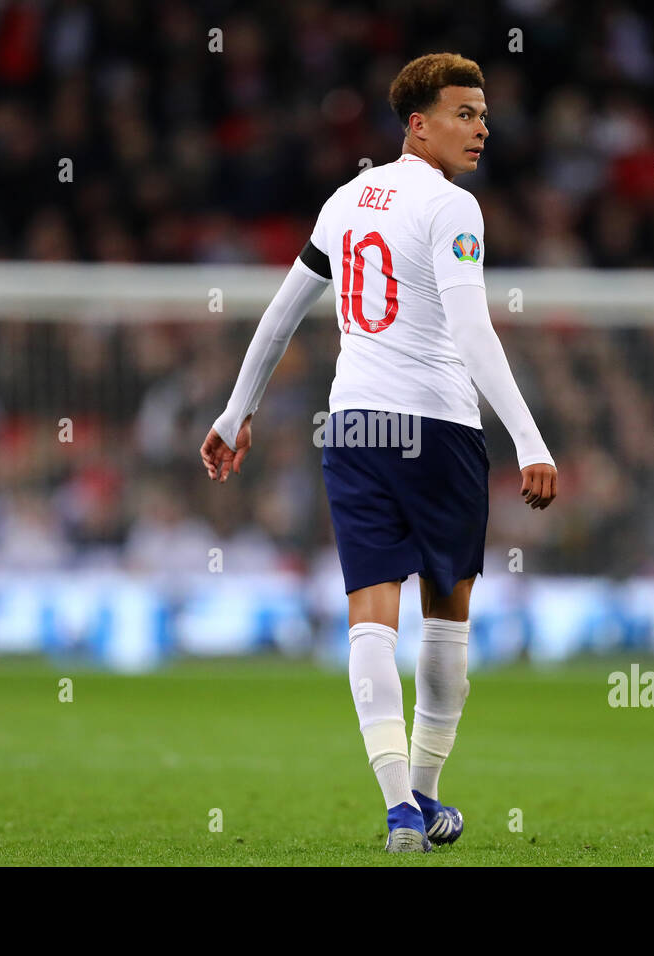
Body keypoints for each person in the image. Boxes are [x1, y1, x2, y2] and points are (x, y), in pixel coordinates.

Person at [200, 53, 558, 852]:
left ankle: (404, 807)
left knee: (369, 613)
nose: (481, 127)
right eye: (464, 113)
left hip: (355, 428)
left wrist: (236, 412)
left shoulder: (345, 200)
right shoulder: (452, 207)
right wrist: (530, 438)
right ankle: (426, 791)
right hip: (437, 428)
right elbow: (470, 330)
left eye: (485, 113)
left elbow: (284, 313)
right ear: (417, 124)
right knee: (447, 611)